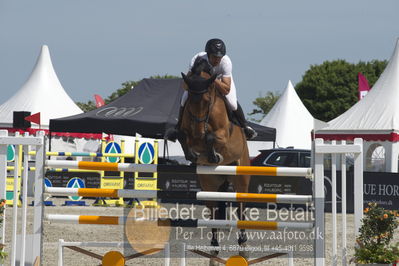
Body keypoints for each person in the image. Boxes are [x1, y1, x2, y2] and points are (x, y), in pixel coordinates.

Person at [166, 38, 257, 141]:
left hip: (220, 80)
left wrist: (212, 77)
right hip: (201, 82)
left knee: (232, 103)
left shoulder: (226, 62)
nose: (217, 60)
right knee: (184, 98)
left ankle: (245, 127)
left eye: (219, 57)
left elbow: (226, 89)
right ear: (208, 54)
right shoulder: (197, 59)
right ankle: (177, 128)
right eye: (214, 57)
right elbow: (185, 86)